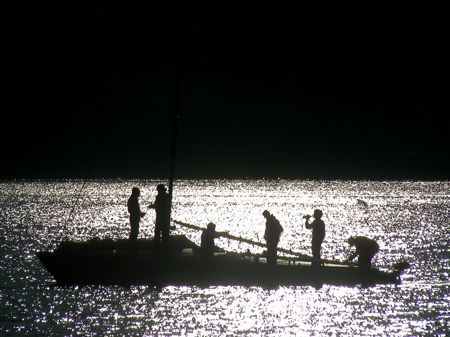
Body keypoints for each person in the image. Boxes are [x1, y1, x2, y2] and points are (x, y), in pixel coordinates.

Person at [148, 184, 171, 251]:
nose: (157, 191)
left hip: (161, 217)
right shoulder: (166, 196)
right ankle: (164, 247)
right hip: (165, 217)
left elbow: (158, 205)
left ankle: (158, 248)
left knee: (158, 232)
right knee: (164, 233)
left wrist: (152, 206)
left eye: (158, 190)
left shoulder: (160, 196)